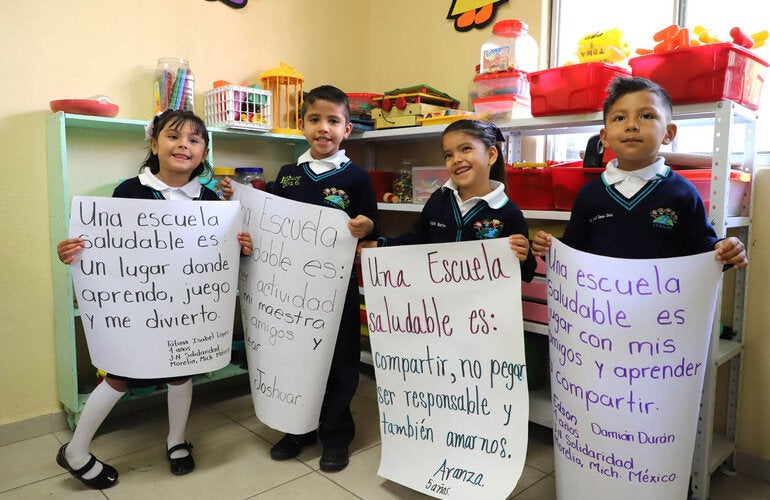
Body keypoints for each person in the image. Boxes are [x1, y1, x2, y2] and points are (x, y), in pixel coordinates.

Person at [55, 109, 253, 489]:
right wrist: (74, 251)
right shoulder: (128, 192)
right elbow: (107, 247)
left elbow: (219, 255)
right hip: (137, 307)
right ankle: (76, 450)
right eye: (173, 136)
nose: (183, 145)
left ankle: (176, 441)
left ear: (204, 151)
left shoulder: (211, 201)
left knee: (182, 370)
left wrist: (241, 247)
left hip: (184, 308)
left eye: (194, 140)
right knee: (119, 375)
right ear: (153, 144)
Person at [267, 85, 378, 472]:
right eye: (315, 120)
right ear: (302, 125)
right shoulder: (287, 175)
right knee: (293, 360)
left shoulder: (357, 179)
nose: (323, 128)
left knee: (339, 362)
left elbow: (370, 225)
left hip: (336, 291)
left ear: (347, 129)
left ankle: (335, 434)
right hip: (289, 292)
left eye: (333, 121)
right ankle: (297, 427)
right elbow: (272, 224)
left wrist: (367, 227)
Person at [531, 76, 747, 268]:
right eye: (620, 118)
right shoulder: (589, 194)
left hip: (663, 310)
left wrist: (726, 249)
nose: (632, 125)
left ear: (669, 133)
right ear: (604, 137)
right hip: (602, 309)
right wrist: (550, 248)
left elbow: (703, 248)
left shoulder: (683, 193)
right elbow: (574, 248)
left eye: (646, 116)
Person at [358, 118, 537, 283]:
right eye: (448, 155)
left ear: (491, 155)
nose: (456, 160)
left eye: (466, 148)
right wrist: (381, 244)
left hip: (481, 312)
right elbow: (418, 240)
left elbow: (527, 274)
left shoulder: (509, 213)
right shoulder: (439, 199)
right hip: (440, 310)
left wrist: (523, 257)